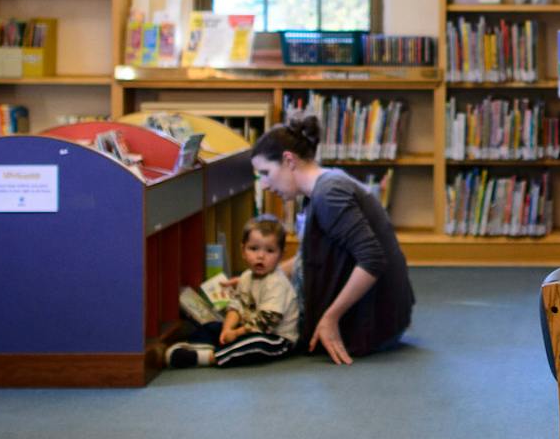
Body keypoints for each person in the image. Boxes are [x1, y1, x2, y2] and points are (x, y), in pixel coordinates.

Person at [250, 115, 414, 364]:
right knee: (257, 302)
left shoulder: (329, 193)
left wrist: (330, 318)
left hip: (373, 327)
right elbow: (308, 258)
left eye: (265, 172)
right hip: (383, 319)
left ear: (288, 160)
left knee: (262, 329)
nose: (264, 184)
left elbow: (372, 259)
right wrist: (253, 278)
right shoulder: (322, 186)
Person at [176, 215, 301, 367]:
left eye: (270, 251)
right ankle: (201, 345)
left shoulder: (277, 283)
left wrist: (235, 333)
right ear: (243, 250)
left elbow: (265, 324)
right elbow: (235, 306)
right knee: (211, 326)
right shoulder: (246, 277)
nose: (260, 256)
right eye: (254, 249)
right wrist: (227, 329)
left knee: (256, 343)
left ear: (281, 254)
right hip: (247, 328)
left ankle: (208, 357)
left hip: (276, 337)